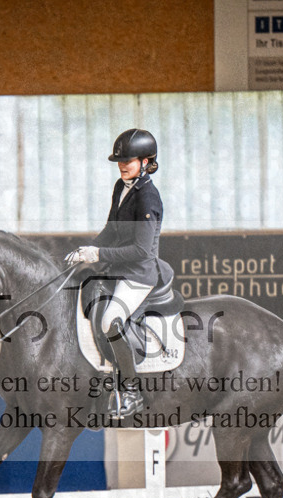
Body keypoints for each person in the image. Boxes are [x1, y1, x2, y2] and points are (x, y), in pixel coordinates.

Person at [65, 128, 174, 418]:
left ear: (147, 160)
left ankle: (132, 392)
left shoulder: (148, 198)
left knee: (111, 321)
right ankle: (101, 377)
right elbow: (112, 229)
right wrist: (86, 249)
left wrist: (97, 254)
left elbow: (141, 250)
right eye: (120, 161)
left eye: (129, 160)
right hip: (116, 270)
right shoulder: (120, 186)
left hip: (138, 275)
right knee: (85, 299)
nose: (123, 165)